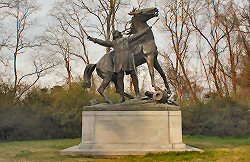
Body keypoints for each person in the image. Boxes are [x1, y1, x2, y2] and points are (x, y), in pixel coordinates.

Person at [88, 27, 151, 102]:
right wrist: (146, 30)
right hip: (125, 59)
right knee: (131, 75)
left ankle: (124, 96)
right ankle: (136, 94)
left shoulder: (115, 42)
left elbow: (102, 42)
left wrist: (93, 39)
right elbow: (137, 36)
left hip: (120, 60)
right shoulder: (124, 40)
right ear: (119, 35)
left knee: (120, 77)